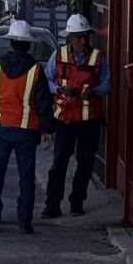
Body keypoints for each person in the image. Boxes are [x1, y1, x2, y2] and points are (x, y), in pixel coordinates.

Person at [0, 19, 54, 234]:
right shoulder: (35, 70)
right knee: (26, 178)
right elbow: (43, 103)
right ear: (28, 44)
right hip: (26, 131)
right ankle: (24, 223)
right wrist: (48, 129)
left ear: (10, 42)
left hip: (1, 128)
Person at [44, 14, 110, 218]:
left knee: (85, 162)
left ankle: (77, 202)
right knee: (59, 162)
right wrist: (59, 90)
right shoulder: (58, 55)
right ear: (70, 38)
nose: (83, 41)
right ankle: (52, 204)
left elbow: (107, 84)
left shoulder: (98, 58)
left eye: (85, 36)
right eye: (79, 37)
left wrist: (94, 92)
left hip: (89, 120)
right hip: (65, 118)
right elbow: (47, 79)